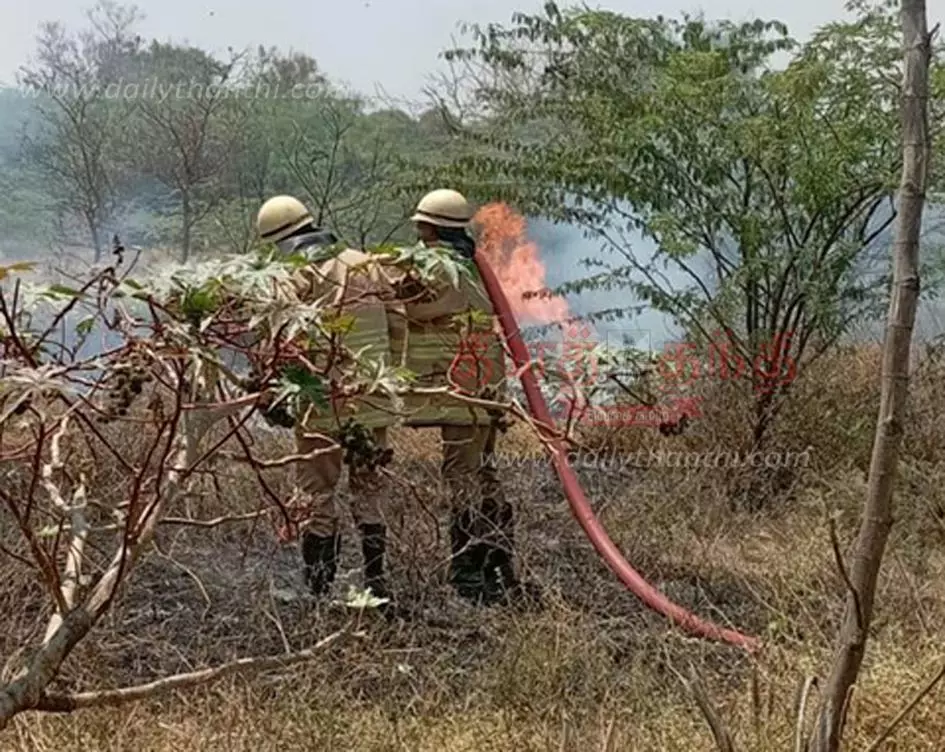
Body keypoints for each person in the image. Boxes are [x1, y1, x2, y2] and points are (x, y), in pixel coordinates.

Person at [381, 188, 533, 606]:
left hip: (458, 389)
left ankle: (470, 574)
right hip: (483, 388)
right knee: (484, 473)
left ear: (430, 227)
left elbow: (415, 309)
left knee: (463, 476)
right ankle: (497, 564)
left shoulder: (439, 267)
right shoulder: (472, 264)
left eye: (421, 225)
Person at [254, 195, 399, 604]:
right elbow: (398, 324)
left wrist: (271, 391)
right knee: (370, 487)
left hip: (321, 400)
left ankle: (318, 590)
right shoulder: (367, 263)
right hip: (372, 395)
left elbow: (277, 341)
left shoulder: (294, 276)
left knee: (317, 492)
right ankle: (376, 583)